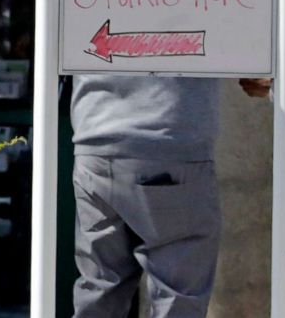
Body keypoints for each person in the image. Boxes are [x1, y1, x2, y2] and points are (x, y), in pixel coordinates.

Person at [70, 75, 248, 317]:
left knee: (100, 290)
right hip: (170, 135)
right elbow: (239, 44)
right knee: (177, 296)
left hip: (94, 136)